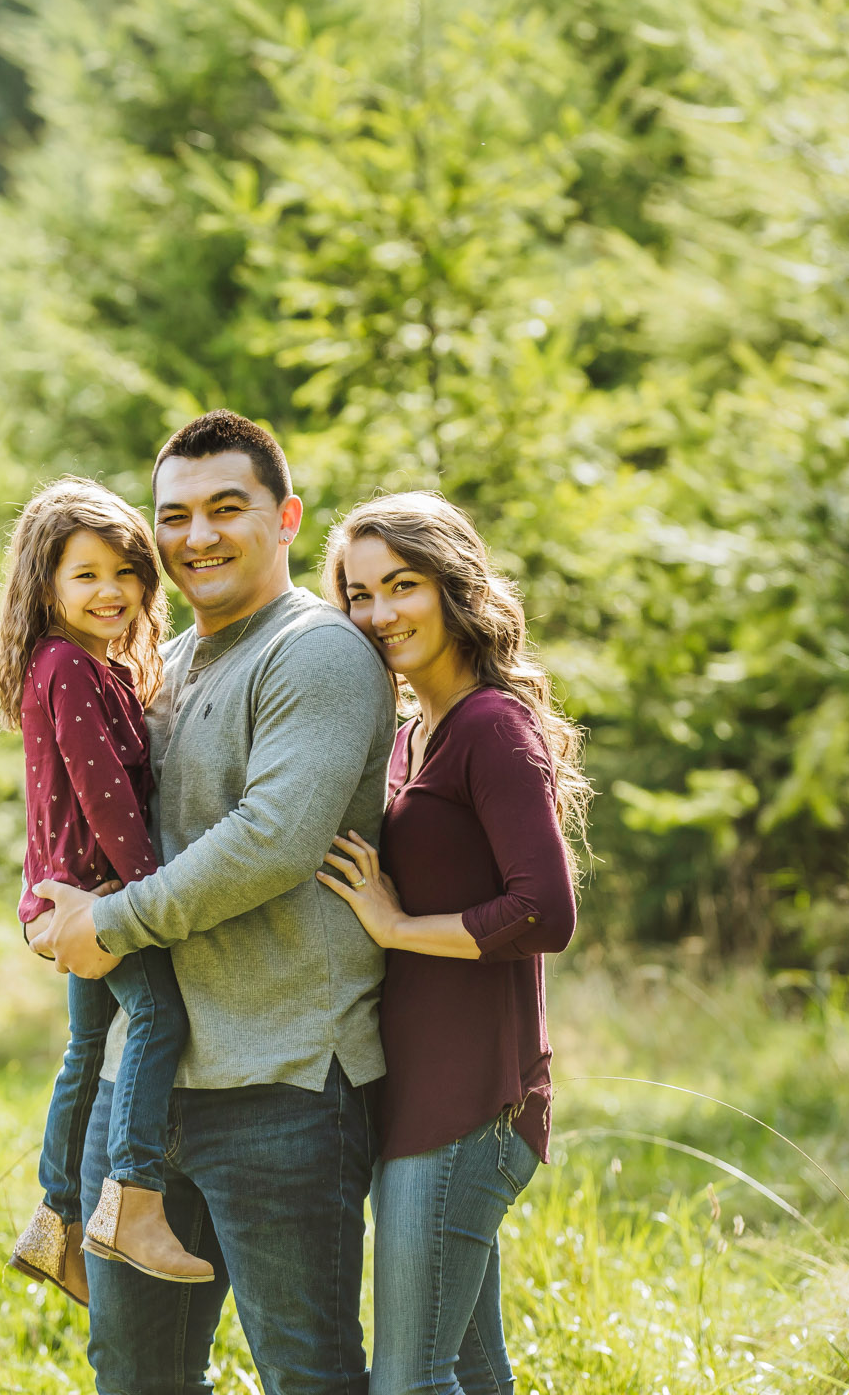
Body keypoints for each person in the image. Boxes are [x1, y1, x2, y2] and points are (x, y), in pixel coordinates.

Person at [33, 411, 397, 1395]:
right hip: (142, 1092)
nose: (197, 537)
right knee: (135, 1374)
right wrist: (54, 897)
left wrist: (105, 924)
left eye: (226, 510)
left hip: (280, 1084)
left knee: (307, 1374)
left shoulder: (318, 656)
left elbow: (270, 843)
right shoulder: (165, 662)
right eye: (176, 516)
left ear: (286, 519)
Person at [315, 492, 589, 1395]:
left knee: (410, 1380)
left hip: (469, 1106)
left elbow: (545, 910)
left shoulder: (489, 728)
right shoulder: (408, 738)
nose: (379, 613)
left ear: (454, 587)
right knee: (471, 1372)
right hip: (419, 1101)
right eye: (358, 595)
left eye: (403, 585)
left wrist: (395, 926)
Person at [0, 477, 215, 1307]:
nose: (112, 591)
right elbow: (104, 798)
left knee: (87, 1051)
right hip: (96, 895)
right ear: (45, 584)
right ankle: (133, 1200)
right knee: (158, 1014)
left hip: (64, 892)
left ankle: (56, 1222)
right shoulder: (70, 669)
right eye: (87, 575)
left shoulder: (76, 665)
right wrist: (149, 906)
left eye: (126, 572)